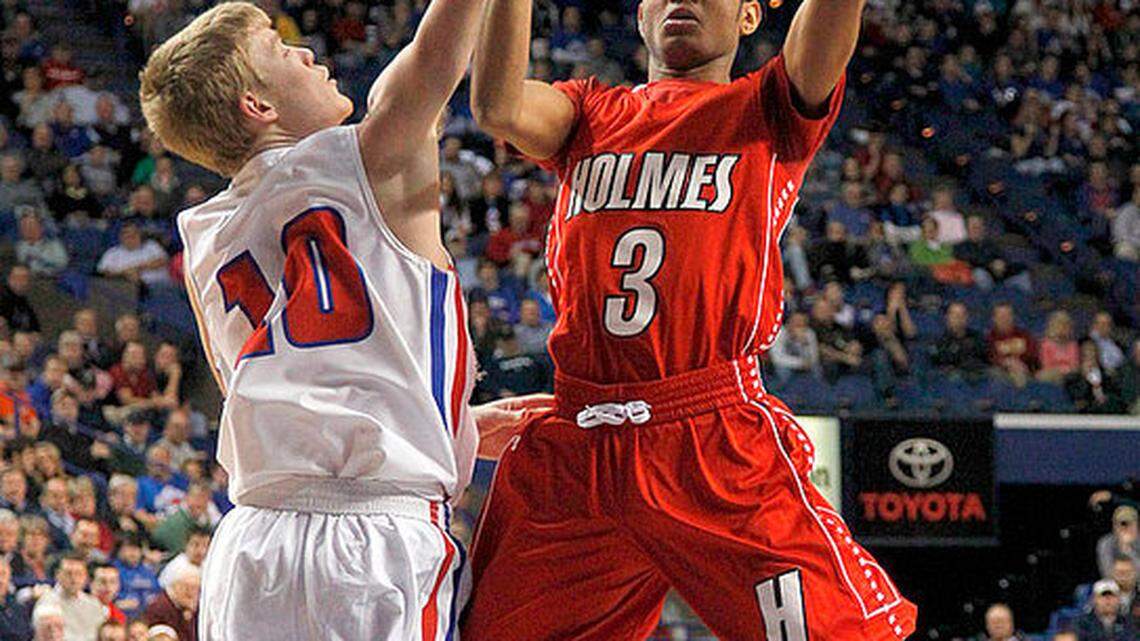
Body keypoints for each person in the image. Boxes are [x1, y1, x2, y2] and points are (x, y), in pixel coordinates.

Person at [465, 0, 917, 636]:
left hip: (708, 435)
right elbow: (497, 107)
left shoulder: (768, 109)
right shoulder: (589, 112)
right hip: (578, 438)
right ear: (640, 18)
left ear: (749, 18)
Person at [138, 3, 527, 639]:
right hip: (373, 540)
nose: (306, 53)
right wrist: (425, 435)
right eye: (279, 50)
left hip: (252, 542)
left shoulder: (204, 238)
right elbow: (439, 56)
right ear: (257, 107)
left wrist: (447, 427)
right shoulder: (376, 158)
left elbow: (269, 381)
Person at [31, 553, 106, 641]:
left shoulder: (94, 604)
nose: (74, 578)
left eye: (79, 574)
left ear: (86, 577)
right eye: (68, 573)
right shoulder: (46, 602)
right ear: (58, 575)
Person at [1098, 506, 1140, 580]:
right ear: (1114, 526)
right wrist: (1122, 545)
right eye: (1122, 524)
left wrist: (1128, 550)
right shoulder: (1105, 543)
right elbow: (1107, 573)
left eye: (1130, 523)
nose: (1126, 528)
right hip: (1115, 586)